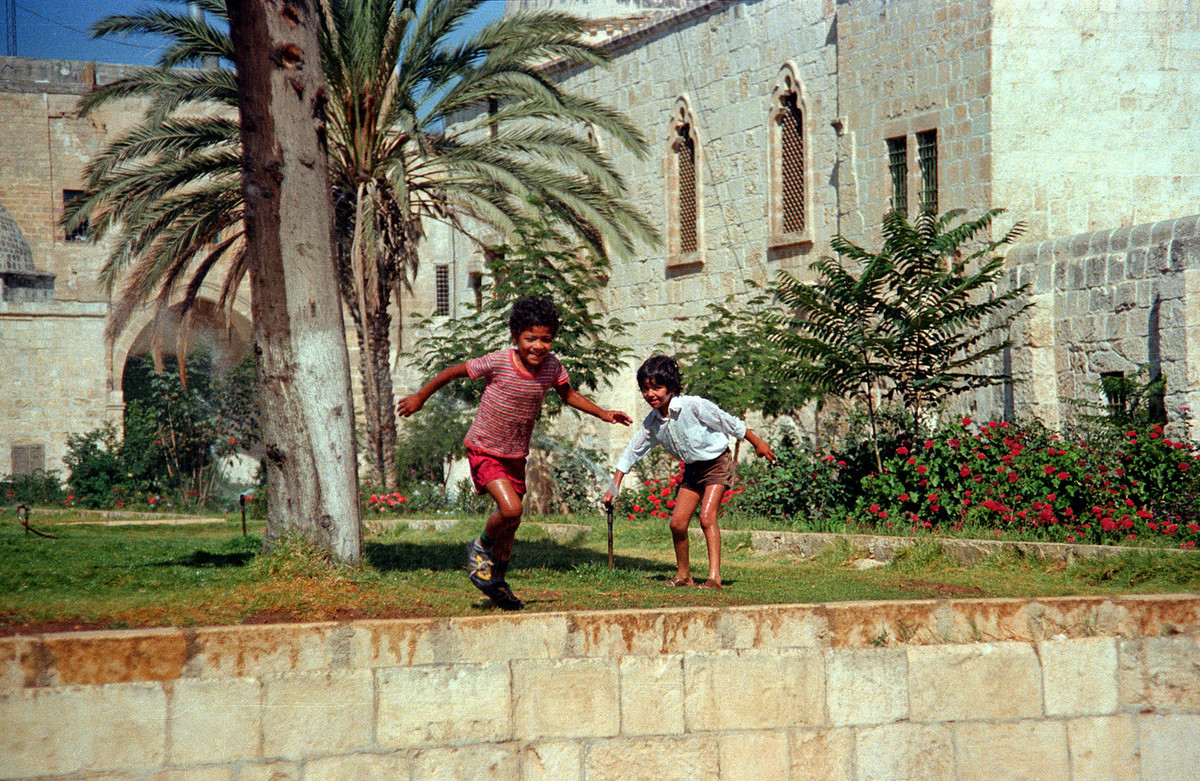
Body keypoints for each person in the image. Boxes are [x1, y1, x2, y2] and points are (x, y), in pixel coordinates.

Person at [398, 296, 631, 610]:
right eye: (530, 338)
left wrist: (602, 413)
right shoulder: (498, 361)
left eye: (546, 339)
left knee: (511, 524)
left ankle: (497, 583)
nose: (538, 345)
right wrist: (420, 397)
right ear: (516, 337)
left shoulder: (552, 367)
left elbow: (568, 394)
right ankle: (480, 546)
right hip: (485, 448)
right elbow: (453, 372)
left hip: (515, 455)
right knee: (511, 511)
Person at [603, 354, 775, 588]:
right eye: (645, 389)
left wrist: (758, 443)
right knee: (677, 524)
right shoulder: (652, 423)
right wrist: (614, 487)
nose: (650, 394)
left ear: (671, 387)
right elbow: (630, 454)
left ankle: (714, 577)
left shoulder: (694, 406)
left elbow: (729, 423)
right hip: (693, 469)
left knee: (706, 517)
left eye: (657, 387)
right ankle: (684, 576)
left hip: (717, 462)